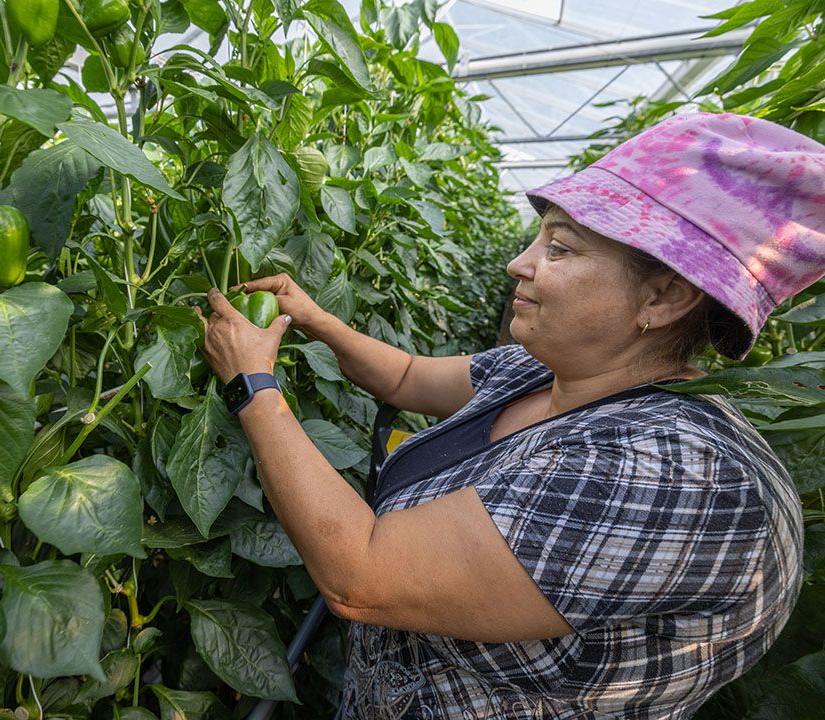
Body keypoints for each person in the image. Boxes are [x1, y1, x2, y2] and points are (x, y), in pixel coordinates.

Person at [195, 112, 825, 718]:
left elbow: (360, 575)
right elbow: (407, 375)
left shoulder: (681, 477)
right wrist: (317, 318)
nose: (518, 264)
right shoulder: (542, 372)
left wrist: (254, 386)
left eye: (560, 249)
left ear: (663, 297)